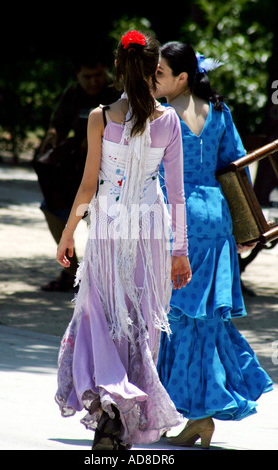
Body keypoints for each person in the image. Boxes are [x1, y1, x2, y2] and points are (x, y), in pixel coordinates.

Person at [54, 31, 192, 450]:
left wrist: (67, 233)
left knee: (103, 316)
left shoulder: (99, 117)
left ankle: (111, 415)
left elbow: (87, 188)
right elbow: (177, 191)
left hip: (110, 228)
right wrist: (180, 251)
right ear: (155, 71)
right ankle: (124, 417)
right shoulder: (169, 120)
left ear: (118, 67)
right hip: (151, 231)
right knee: (141, 324)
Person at [155, 42, 273, 449]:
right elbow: (236, 166)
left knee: (179, 320)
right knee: (203, 321)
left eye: (159, 73)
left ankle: (198, 414)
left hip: (178, 219)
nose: (153, 80)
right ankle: (194, 414)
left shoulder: (164, 115)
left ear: (182, 76)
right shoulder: (220, 112)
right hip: (217, 219)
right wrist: (248, 230)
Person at [34, 50, 120, 292]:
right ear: (77, 75)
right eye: (87, 77)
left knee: (102, 224)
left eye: (98, 75)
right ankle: (72, 273)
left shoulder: (116, 93)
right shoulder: (72, 94)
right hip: (75, 173)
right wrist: (52, 137)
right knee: (50, 208)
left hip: (110, 176)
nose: (93, 81)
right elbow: (57, 125)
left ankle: (104, 278)